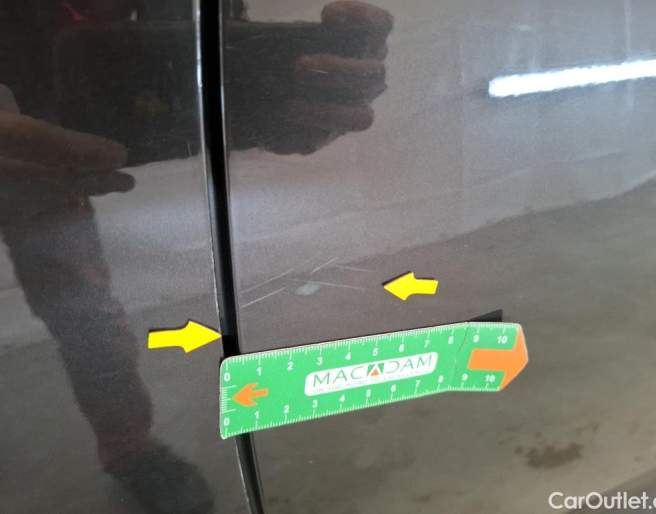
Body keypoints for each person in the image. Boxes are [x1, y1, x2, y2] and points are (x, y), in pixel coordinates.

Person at [0, 1, 392, 513]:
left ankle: (130, 448)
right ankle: (130, 449)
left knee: (85, 314)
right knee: (85, 311)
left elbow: (225, 70)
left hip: (47, 175)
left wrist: (286, 105)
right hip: (33, 161)